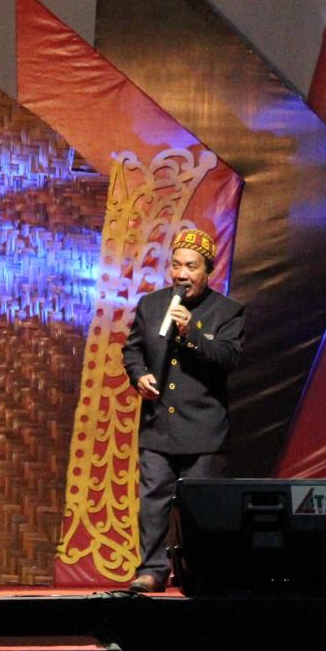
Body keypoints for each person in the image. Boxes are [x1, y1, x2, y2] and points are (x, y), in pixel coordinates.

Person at [122, 227, 244, 593]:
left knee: (201, 508)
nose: (181, 274)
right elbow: (133, 350)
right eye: (176, 265)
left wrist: (192, 334)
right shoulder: (151, 305)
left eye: (191, 266)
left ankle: (201, 572)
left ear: (208, 271)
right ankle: (152, 570)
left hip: (204, 429)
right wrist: (139, 375)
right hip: (158, 425)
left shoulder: (228, 311)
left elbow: (229, 357)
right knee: (153, 501)